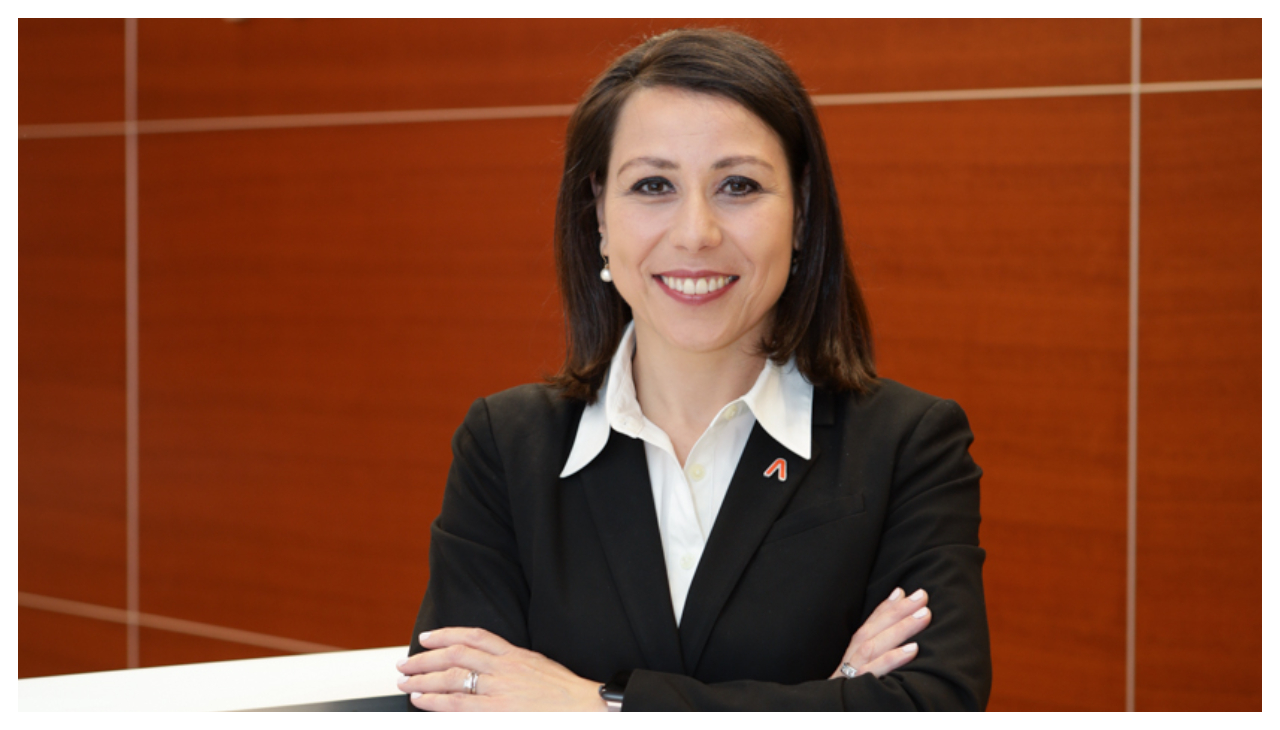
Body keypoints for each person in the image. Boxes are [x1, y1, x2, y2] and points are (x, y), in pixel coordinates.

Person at [397, 27, 990, 711]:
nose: (696, 232)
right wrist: (834, 697)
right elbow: (456, 700)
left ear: (800, 215)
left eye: (738, 185)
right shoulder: (506, 444)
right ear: (598, 216)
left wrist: (599, 706)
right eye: (653, 185)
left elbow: (930, 707)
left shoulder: (908, 445)